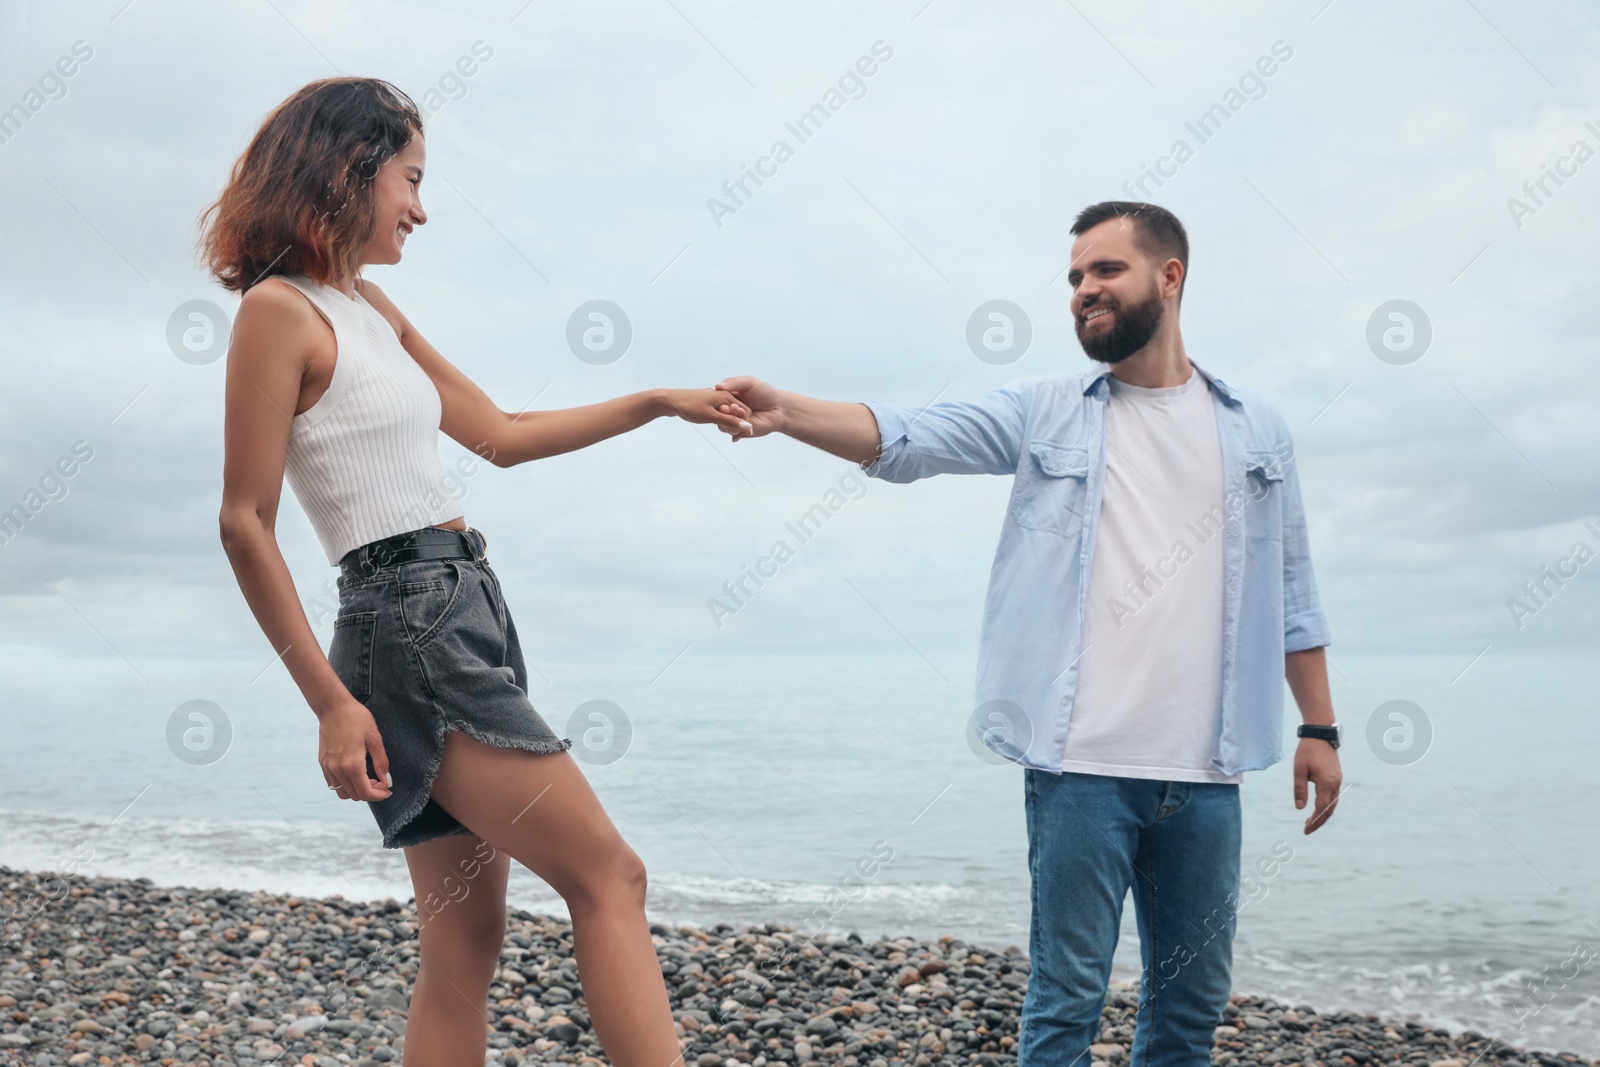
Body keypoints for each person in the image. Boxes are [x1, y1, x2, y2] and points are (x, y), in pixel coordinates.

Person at [713, 201, 1341, 1066]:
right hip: (1080, 767)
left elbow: (1294, 586)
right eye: (1075, 277)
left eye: (1105, 270)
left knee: (1190, 1012)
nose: (1084, 290)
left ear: (1170, 276)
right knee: (1064, 1007)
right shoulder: (1050, 409)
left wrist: (1320, 726)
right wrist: (789, 411)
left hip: (1207, 774)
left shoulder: (1255, 427)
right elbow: (911, 437)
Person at [204, 77, 748, 1067]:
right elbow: (245, 521)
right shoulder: (277, 313)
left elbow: (499, 434)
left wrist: (659, 401)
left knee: (466, 941)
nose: (421, 205)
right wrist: (328, 703)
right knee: (610, 877)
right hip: (402, 623)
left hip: (461, 606)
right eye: (409, 177)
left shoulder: (370, 307)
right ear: (344, 168)